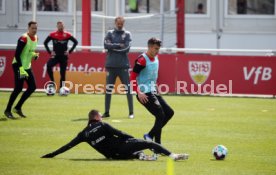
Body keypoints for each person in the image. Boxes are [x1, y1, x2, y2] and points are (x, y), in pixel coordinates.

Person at [41, 109, 189, 161]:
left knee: (136, 152)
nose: (102, 118)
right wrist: (133, 138)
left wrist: (51, 154)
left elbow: (67, 146)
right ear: (97, 117)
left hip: (113, 156)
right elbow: (121, 133)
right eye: (101, 116)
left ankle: (140, 156)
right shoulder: (103, 124)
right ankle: (173, 155)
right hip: (122, 148)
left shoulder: (83, 134)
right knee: (148, 143)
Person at [130, 37, 174, 144]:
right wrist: (139, 92)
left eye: (158, 49)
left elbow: (152, 77)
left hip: (153, 91)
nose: (157, 51)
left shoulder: (156, 57)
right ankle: (157, 144)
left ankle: (150, 136)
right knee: (160, 115)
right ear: (149, 47)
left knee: (169, 113)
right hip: (144, 93)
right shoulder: (142, 60)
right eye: (155, 48)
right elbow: (132, 77)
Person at [4, 21, 39, 119]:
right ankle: (7, 110)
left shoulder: (36, 38)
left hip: (27, 66)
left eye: (36, 28)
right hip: (18, 65)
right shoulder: (23, 38)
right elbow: (17, 55)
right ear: (28, 28)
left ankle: (18, 107)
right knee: (18, 89)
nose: (34, 30)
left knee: (32, 87)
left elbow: (30, 51)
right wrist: (21, 69)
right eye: (32, 28)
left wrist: (34, 55)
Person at [103, 16, 134, 119]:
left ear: (124, 23)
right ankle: (106, 112)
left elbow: (126, 48)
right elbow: (106, 45)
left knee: (128, 90)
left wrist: (113, 46)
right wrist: (118, 45)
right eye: (118, 23)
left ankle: (131, 112)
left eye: (122, 23)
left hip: (123, 66)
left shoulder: (127, 34)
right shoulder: (109, 33)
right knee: (108, 90)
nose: (120, 24)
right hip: (111, 65)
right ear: (115, 23)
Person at [44, 21, 78, 94]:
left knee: (62, 73)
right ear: (57, 26)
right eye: (59, 26)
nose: (60, 27)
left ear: (64, 26)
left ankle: (62, 89)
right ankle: (52, 83)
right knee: (48, 65)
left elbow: (76, 42)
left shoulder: (67, 34)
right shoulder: (52, 34)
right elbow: (45, 42)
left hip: (64, 57)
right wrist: (50, 52)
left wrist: (70, 51)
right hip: (55, 56)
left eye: (61, 26)